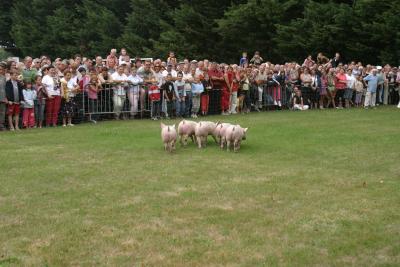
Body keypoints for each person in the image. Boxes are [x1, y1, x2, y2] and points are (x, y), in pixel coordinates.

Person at [0, 62, 7, 131]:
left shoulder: (4, 77)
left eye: (2, 69)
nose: (0, 70)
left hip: (3, 97)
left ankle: (1, 125)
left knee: (2, 112)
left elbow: (5, 88)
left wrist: (5, 97)